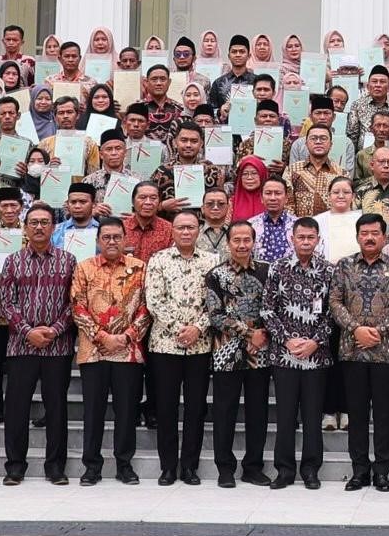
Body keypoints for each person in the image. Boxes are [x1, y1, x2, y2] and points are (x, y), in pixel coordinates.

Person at [327, 211, 389, 491]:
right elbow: (335, 302)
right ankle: (359, 470)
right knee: (357, 414)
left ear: (384, 237)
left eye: (375, 233)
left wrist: (379, 332)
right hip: (352, 351)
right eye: (364, 233)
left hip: (385, 352)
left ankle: (382, 470)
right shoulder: (345, 266)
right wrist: (356, 329)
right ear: (357, 236)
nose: (370, 237)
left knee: (384, 413)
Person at [0, 203, 77, 485]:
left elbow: (74, 302)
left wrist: (54, 330)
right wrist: (27, 331)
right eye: (34, 222)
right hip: (21, 347)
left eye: (45, 222)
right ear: (25, 227)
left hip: (58, 347)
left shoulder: (68, 261)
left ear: (54, 227)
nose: (40, 227)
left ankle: (55, 466)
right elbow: (7, 302)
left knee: (56, 407)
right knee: (17, 408)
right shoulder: (12, 261)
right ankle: (15, 466)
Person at [70, 217, 148, 485]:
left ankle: (124, 464)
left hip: (128, 351)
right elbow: (77, 306)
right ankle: (91, 466)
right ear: (97, 240)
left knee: (127, 410)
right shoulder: (84, 268)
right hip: (94, 351)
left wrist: (126, 336)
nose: (112, 241)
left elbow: (145, 309)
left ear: (125, 239)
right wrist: (101, 336)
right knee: (93, 411)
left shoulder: (140, 268)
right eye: (106, 237)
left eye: (117, 237)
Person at [141, 207, 213, 487]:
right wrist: (177, 329)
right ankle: (168, 466)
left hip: (200, 345)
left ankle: (190, 467)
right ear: (172, 231)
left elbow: (217, 302)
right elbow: (154, 300)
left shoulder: (211, 261)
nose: (186, 232)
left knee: (195, 408)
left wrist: (197, 328)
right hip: (165, 345)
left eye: (191, 227)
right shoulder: (158, 260)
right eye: (180, 227)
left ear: (198, 230)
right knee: (167, 408)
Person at [263, 214, 335, 487]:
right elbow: (268, 310)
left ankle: (311, 469)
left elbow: (333, 313)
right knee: (285, 415)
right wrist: (287, 340)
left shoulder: (328, 272)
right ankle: (284, 470)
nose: (305, 242)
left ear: (318, 240)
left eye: (310, 237)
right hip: (285, 356)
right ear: (291, 239)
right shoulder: (277, 268)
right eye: (300, 237)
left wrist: (315, 342)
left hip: (316, 356)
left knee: (313, 416)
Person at [202, 218, 273, 487]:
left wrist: (261, 334)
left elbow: (273, 308)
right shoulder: (216, 274)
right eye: (237, 240)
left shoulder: (267, 272)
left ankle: (253, 467)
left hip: (260, 353)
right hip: (226, 353)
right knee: (224, 411)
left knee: (258, 412)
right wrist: (248, 333)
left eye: (247, 240)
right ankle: (225, 468)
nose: (242, 245)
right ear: (229, 243)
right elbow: (215, 315)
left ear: (254, 242)